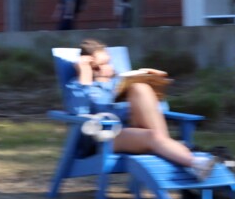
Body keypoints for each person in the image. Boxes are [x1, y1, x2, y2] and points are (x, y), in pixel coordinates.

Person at [72, 38, 217, 180]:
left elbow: (161, 110)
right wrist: (84, 78)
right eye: (97, 67)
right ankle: (192, 162)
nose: (105, 69)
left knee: (140, 88)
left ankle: (176, 153)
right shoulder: (78, 86)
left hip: (138, 129)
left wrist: (153, 83)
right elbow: (80, 115)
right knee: (152, 136)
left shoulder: (121, 81)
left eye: (107, 63)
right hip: (107, 135)